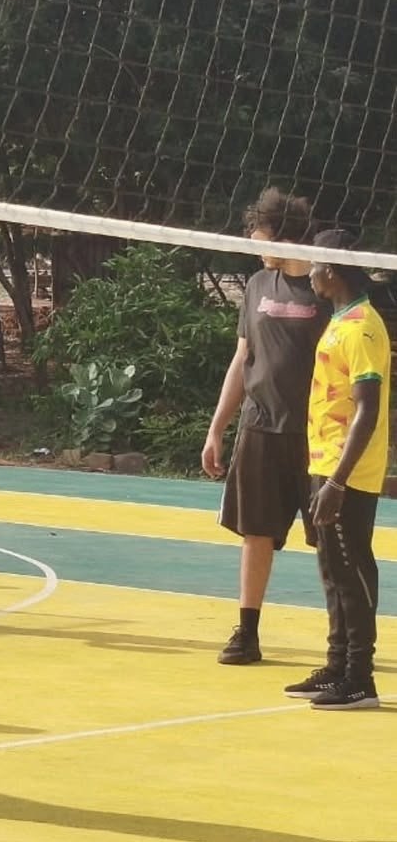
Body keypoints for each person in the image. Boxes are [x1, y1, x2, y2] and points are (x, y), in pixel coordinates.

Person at [201, 188, 329, 664]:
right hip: (260, 427)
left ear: (284, 237)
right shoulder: (258, 285)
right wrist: (217, 428)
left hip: (317, 435)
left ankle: (345, 642)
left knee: (329, 538)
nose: (256, 249)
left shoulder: (327, 288)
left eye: (260, 239)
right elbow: (242, 359)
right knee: (256, 532)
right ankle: (247, 633)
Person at [283, 229, 388, 709]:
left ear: (331, 269)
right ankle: (337, 664)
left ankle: (360, 678)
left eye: (314, 264)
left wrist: (339, 481)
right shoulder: (340, 319)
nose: (310, 273)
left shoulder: (363, 326)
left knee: (352, 568)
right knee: (331, 568)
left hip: (348, 471)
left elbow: (368, 408)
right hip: (324, 462)